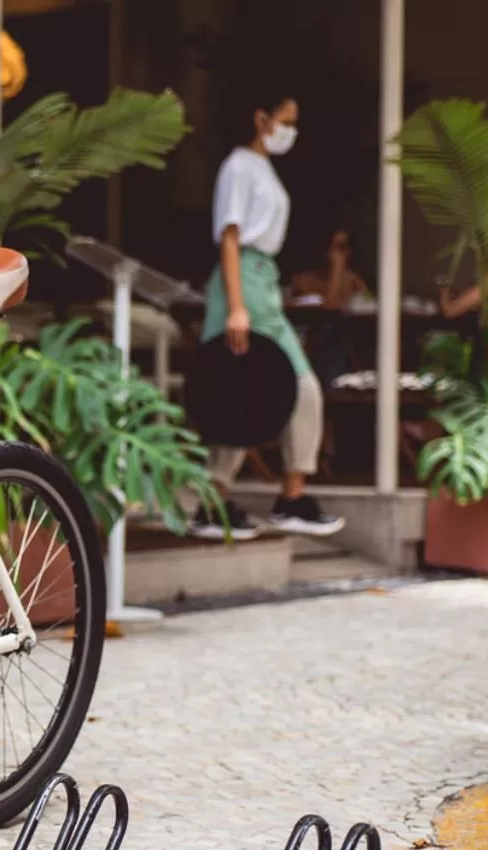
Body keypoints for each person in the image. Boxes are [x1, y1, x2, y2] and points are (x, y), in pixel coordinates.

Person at [190, 91, 346, 541]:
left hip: (262, 279)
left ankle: (291, 496)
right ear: (260, 118)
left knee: (299, 388)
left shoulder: (262, 168)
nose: (291, 131)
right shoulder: (239, 165)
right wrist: (238, 306)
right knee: (242, 389)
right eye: (286, 120)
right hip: (244, 282)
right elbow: (230, 238)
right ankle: (213, 502)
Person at [291, 228, 370, 387]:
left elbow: (365, 307)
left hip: (348, 345)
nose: (336, 253)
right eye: (332, 247)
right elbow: (329, 309)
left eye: (341, 247)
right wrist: (337, 270)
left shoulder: (354, 280)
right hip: (310, 345)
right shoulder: (304, 280)